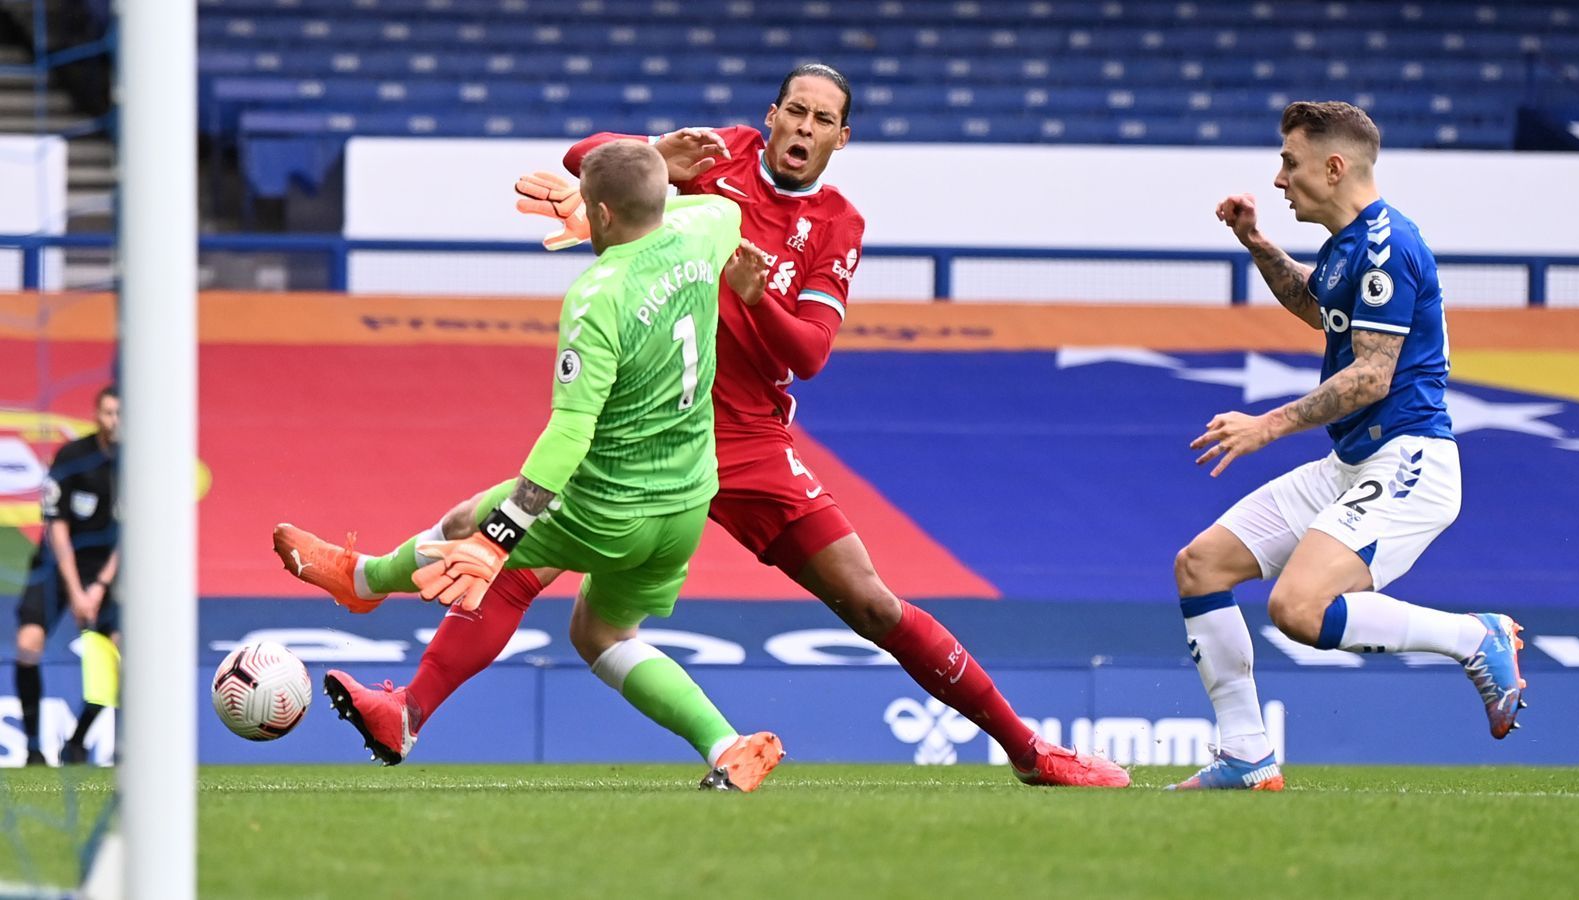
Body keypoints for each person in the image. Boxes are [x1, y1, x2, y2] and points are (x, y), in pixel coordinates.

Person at [279, 63, 1127, 788]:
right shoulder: (723, 163)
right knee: (518, 572)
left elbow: (812, 353)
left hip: (749, 438)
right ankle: (406, 704)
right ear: (770, 116)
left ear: (842, 139)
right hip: (649, 424)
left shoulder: (835, 225)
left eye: (821, 119)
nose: (802, 126)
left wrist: (759, 302)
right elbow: (594, 164)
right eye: (792, 110)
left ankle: (1027, 749)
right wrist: (656, 149)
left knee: (868, 600)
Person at [282, 141, 786, 791]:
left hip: (608, 504)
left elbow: (570, 432)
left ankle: (364, 580)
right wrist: (640, 180)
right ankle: (727, 745)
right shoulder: (710, 225)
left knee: (470, 524)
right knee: (603, 633)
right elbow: (696, 208)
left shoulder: (597, 295)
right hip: (687, 502)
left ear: (600, 213)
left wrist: (500, 536)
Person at [1170, 101, 1526, 791]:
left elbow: (1371, 374)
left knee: (1297, 609)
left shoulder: (1390, 244)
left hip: (1410, 460)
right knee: (1201, 567)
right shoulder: (1350, 244)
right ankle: (1247, 756)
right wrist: (1258, 243)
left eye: (1290, 162)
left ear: (1334, 168)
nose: (1279, 179)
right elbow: (1318, 305)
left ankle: (1474, 638)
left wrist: (1266, 426)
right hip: (1355, 462)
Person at [13, 385, 120, 766]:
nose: (115, 421)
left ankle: (77, 740)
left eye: (121, 413)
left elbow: (131, 535)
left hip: (105, 571)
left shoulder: (138, 467)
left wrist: (101, 586)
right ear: (97, 415)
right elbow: (55, 527)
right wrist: (76, 591)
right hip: (57, 565)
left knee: (119, 657)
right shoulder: (74, 457)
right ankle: (32, 747)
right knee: (28, 644)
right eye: (108, 412)